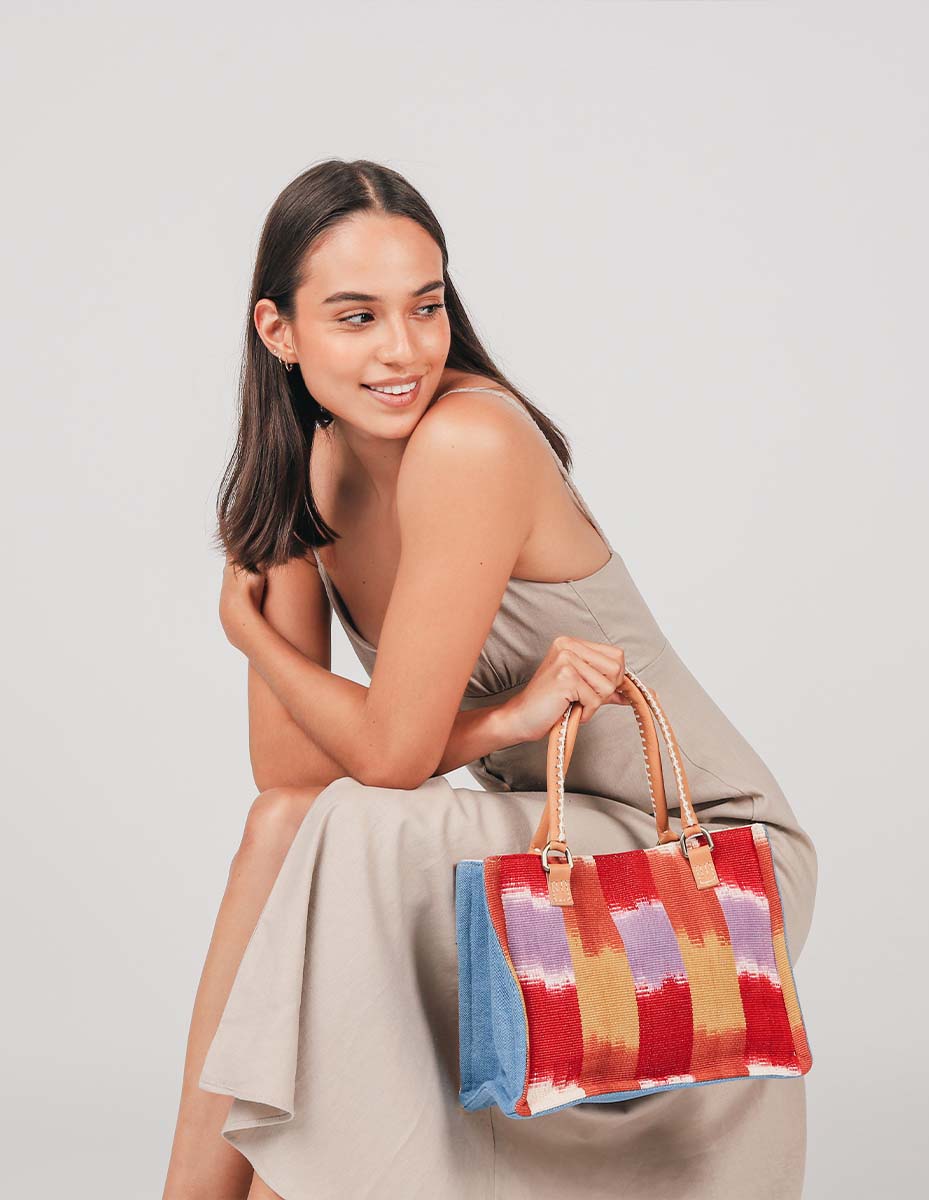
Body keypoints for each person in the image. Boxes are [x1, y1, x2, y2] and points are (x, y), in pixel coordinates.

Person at [161, 158, 819, 1200]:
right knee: (294, 823)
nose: (404, 350)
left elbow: (384, 756)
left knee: (320, 833)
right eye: (356, 317)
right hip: (557, 837)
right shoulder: (310, 472)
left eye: (425, 307)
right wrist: (503, 717)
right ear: (277, 331)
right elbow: (288, 768)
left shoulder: (470, 440)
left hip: (703, 850)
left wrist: (257, 642)